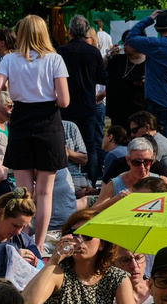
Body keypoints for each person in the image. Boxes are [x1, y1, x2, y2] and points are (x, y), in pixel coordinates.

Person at [0, 14, 70, 254]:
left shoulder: (10, 60)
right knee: (45, 192)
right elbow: (64, 101)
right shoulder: (55, 59)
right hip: (48, 122)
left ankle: (20, 237)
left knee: (22, 191)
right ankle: (39, 244)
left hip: (21, 120)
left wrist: (8, 114)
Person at [126, 9, 167, 146]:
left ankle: (160, 167)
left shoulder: (154, 44)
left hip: (157, 102)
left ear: (157, 28)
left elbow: (130, 38)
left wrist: (148, 19)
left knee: (158, 143)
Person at [57, 15, 108, 185]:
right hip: (88, 105)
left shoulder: (61, 51)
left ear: (70, 31)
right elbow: (103, 78)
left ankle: (67, 181)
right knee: (90, 147)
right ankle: (92, 183)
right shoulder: (93, 52)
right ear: (86, 31)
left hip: (66, 106)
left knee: (64, 145)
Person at [94, 137, 167, 212]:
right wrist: (115, 200)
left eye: (147, 162)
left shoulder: (161, 182)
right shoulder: (114, 185)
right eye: (136, 162)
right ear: (128, 160)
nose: (142, 167)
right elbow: (93, 211)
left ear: (153, 160)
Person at [128, 110, 167, 192]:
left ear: (147, 127)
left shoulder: (155, 145)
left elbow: (144, 170)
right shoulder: (159, 140)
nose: (132, 134)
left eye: (135, 130)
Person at [104, 31, 146, 133]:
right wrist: (107, 56)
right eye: (124, 43)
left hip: (139, 111)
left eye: (128, 43)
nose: (125, 46)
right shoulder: (117, 60)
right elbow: (102, 74)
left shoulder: (149, 63)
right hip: (118, 111)